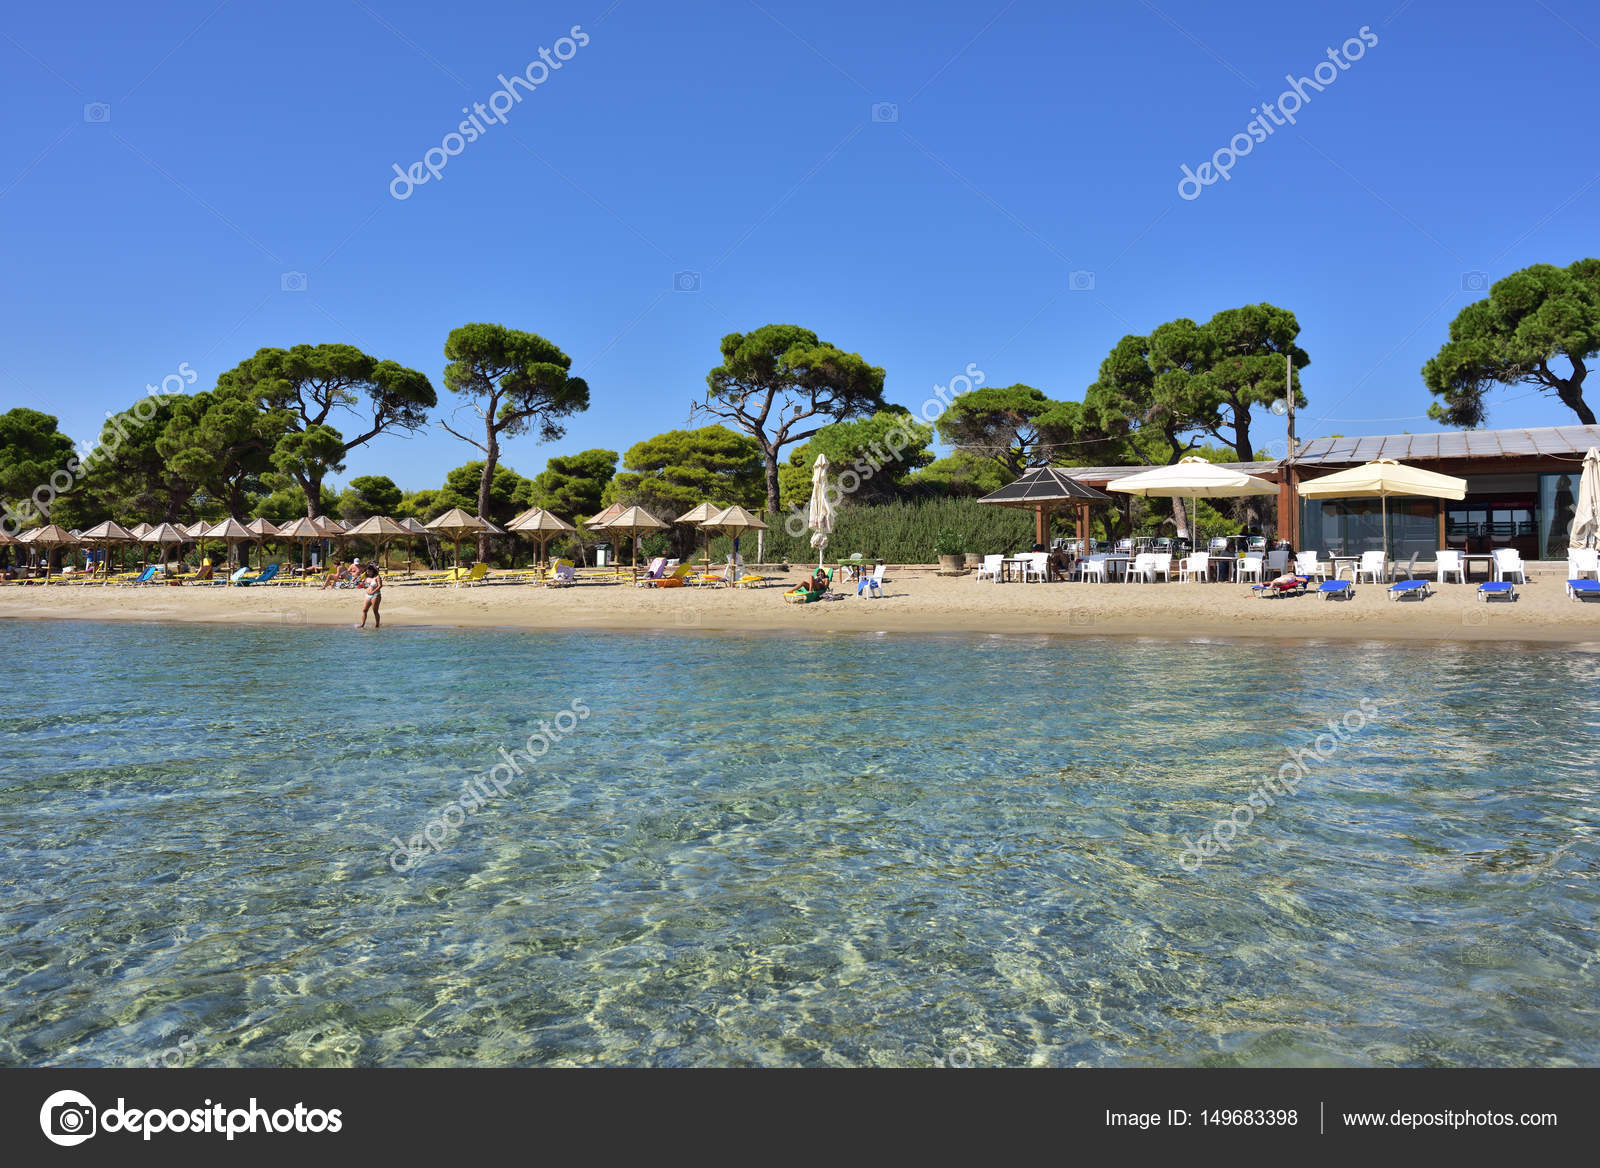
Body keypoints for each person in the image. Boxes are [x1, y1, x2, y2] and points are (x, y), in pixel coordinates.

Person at [358, 562, 382, 628]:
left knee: (375, 611)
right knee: (364, 610)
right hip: (367, 595)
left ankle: (377, 625)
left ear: (372, 571)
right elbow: (366, 586)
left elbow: (380, 586)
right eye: (367, 571)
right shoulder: (366, 577)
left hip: (376, 595)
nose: (368, 572)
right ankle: (362, 624)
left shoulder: (377, 577)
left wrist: (373, 592)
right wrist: (362, 586)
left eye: (369, 571)